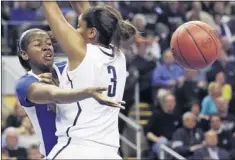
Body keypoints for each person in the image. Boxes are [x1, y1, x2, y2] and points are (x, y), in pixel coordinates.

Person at [42, 1, 137, 159]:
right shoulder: (119, 56)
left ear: (92, 33)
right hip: (110, 152)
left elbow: (50, 8)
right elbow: (91, 14)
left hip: (77, 149)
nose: (76, 31)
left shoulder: (82, 51)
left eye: (78, 26)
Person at [15, 28, 124, 157]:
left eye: (49, 43)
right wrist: (88, 92)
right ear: (24, 54)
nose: (46, 47)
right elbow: (53, 95)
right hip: (56, 153)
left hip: (86, 149)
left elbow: (90, 50)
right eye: (38, 45)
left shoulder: (66, 69)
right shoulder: (25, 84)